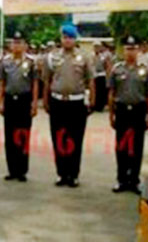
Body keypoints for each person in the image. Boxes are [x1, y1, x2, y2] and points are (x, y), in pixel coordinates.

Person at [43, 24, 95, 188]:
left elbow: (90, 80)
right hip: (58, 102)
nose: (67, 40)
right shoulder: (52, 57)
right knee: (58, 138)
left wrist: (92, 100)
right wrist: (45, 100)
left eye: (71, 37)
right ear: (61, 39)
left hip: (76, 103)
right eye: (65, 37)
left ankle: (73, 174)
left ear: (75, 39)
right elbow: (47, 80)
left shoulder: (84, 57)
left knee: (75, 139)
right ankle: (62, 173)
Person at [109, 36, 148, 194]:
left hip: (138, 111)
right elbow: (112, 93)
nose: (130, 52)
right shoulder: (116, 69)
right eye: (128, 48)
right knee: (121, 146)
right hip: (121, 110)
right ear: (123, 50)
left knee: (137, 146)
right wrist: (111, 114)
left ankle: (134, 180)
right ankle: (121, 179)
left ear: (138, 50)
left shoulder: (145, 69)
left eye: (133, 48)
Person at [0, 31, 38, 182]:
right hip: (10, 101)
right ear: (10, 45)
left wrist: (34, 103)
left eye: (20, 42)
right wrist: (0, 102)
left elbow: (34, 84)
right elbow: (2, 82)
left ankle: (22, 170)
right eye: (14, 42)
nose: (17, 45)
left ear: (25, 45)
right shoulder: (5, 62)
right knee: (9, 136)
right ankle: (12, 169)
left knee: (23, 135)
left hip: (24, 100)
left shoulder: (31, 62)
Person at [93, 41, 110, 112]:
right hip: (94, 75)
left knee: (101, 92)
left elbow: (107, 66)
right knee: (95, 91)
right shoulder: (91, 56)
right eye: (95, 47)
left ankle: (100, 106)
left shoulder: (103, 56)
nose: (96, 48)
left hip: (101, 75)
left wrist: (108, 76)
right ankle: (94, 105)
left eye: (98, 47)